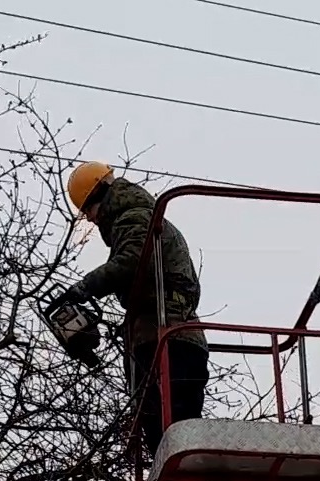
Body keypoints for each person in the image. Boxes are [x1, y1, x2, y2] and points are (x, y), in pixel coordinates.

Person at [51, 162, 208, 458]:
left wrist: (86, 287)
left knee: (176, 434)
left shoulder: (134, 217)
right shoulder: (137, 218)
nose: (92, 220)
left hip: (169, 337)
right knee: (167, 437)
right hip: (164, 337)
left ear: (101, 196)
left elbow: (132, 261)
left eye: (89, 211)